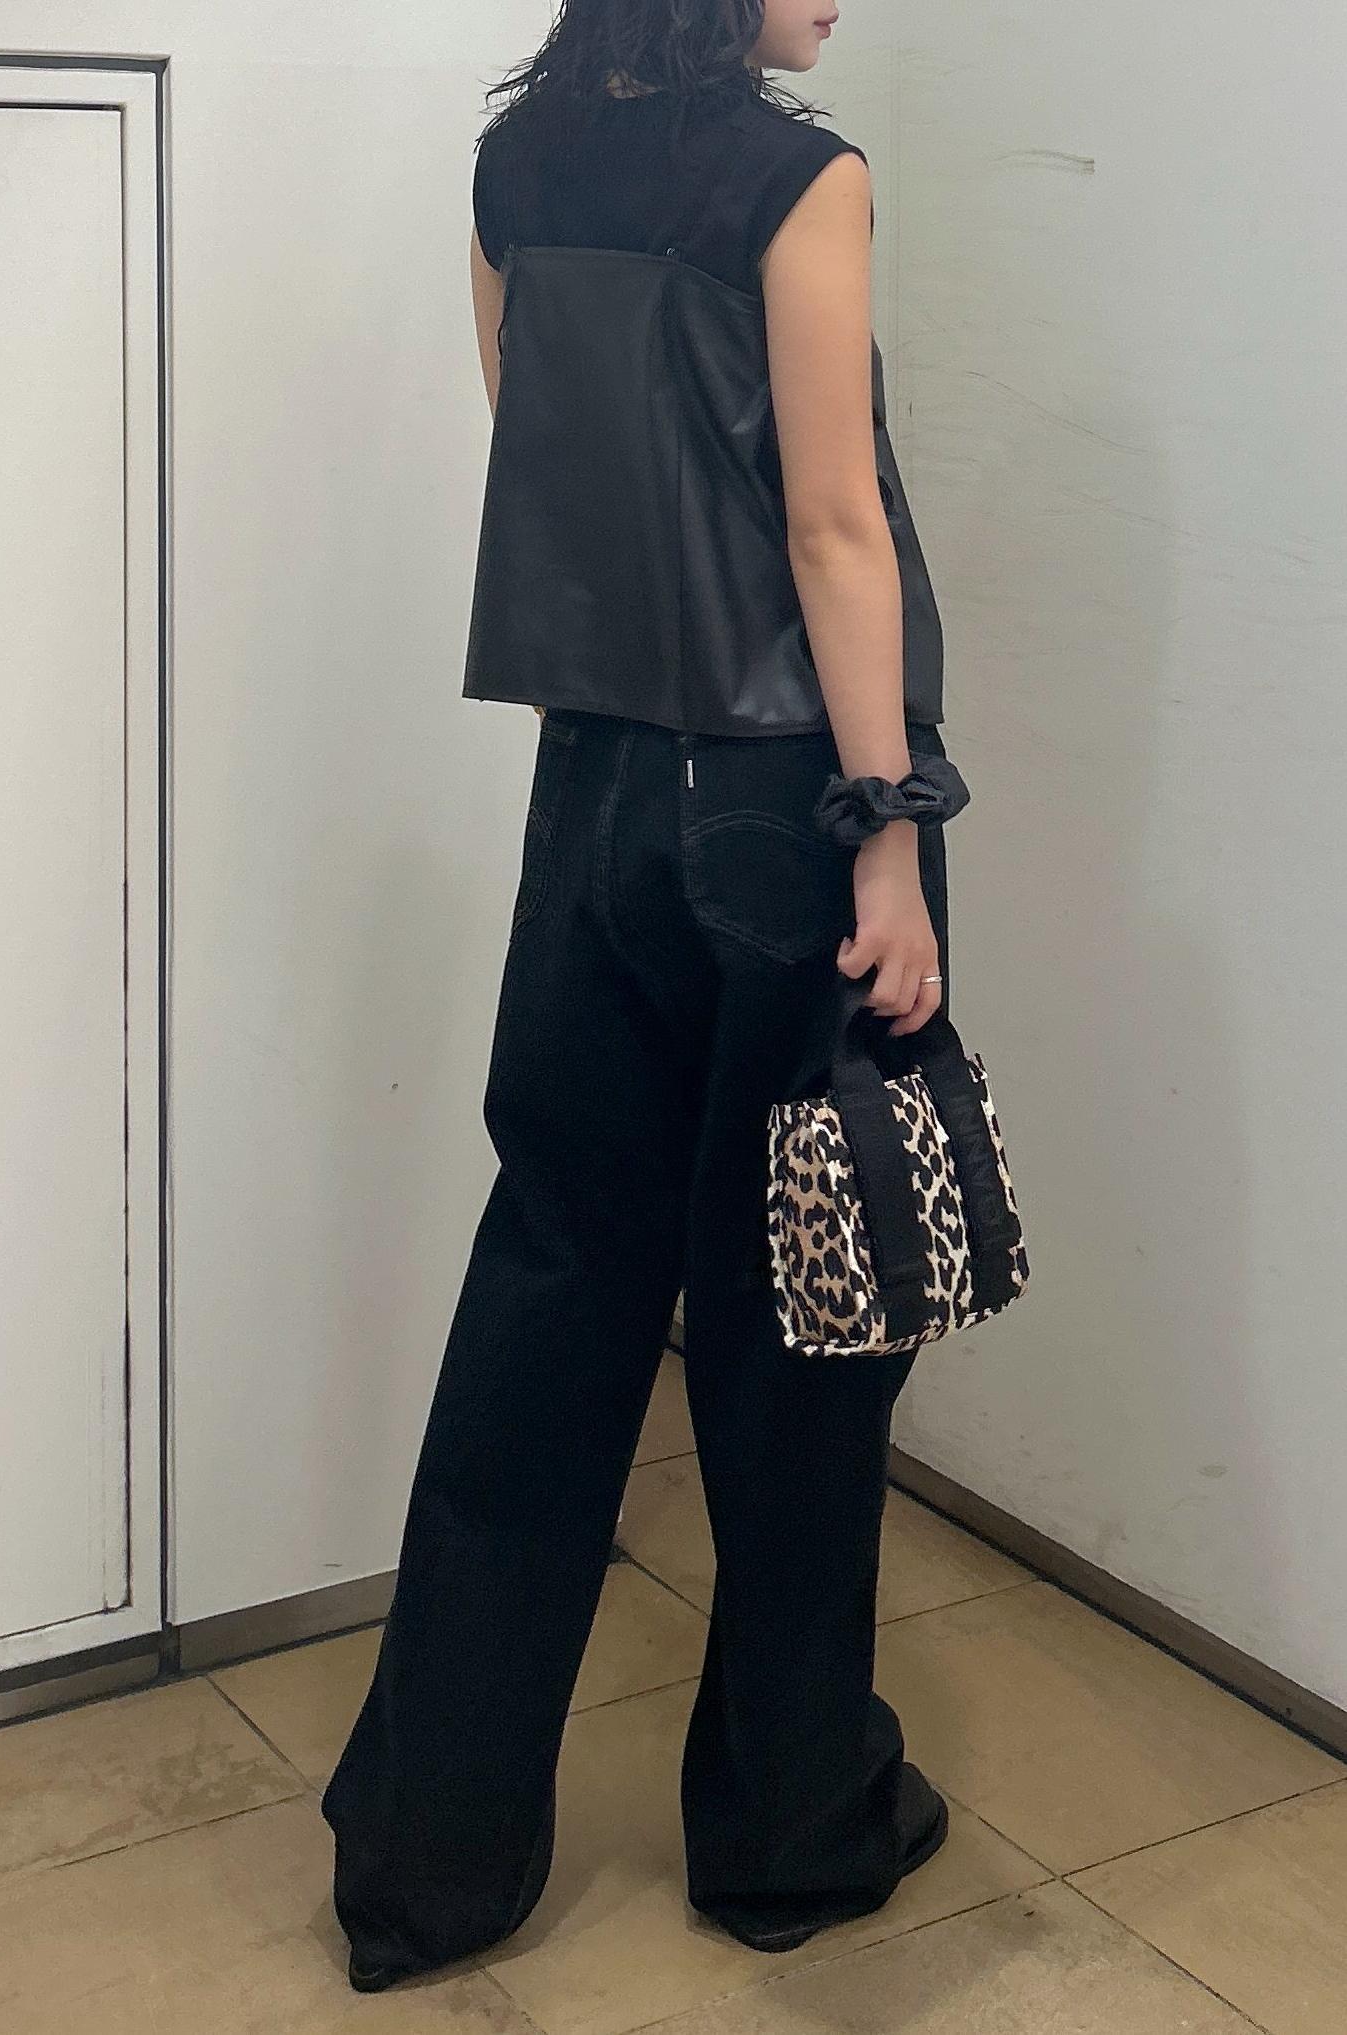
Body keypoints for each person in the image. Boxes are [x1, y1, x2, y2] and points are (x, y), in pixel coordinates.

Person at [320, 0, 971, 1991]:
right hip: (782, 809)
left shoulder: (514, 168)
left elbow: (554, 463)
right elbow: (830, 525)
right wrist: (886, 835)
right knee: (802, 1318)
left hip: (593, 791)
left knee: (551, 1291)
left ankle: (422, 1862)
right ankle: (789, 1828)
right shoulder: (798, 178)